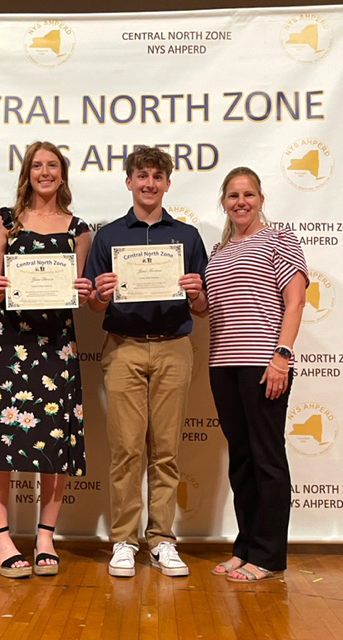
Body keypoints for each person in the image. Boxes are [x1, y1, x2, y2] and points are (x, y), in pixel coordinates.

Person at [85, 146, 208, 577]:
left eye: (158, 176)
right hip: (123, 347)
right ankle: (124, 539)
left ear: (168, 183)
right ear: (129, 182)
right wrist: (100, 292)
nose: (150, 183)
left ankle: (161, 540)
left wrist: (196, 291)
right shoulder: (108, 236)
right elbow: (96, 308)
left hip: (174, 346)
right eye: (142, 176)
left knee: (167, 451)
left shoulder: (189, 237)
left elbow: (203, 307)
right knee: (125, 450)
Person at [0, 141, 92, 578]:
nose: (45, 172)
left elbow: (82, 291)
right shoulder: (4, 221)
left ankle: (45, 536)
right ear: (27, 172)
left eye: (52, 165)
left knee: (56, 442)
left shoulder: (79, 230)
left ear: (63, 173)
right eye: (37, 165)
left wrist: (85, 291)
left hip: (57, 345)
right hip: (10, 344)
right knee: (1, 440)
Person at [206, 167, 308, 582]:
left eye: (248, 194)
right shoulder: (220, 250)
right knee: (242, 461)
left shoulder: (280, 240)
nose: (241, 201)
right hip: (222, 364)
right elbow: (209, 307)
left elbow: (296, 301)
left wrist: (281, 356)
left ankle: (268, 556)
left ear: (261, 199)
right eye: (233, 195)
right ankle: (245, 546)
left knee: (267, 458)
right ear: (224, 202)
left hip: (264, 362)